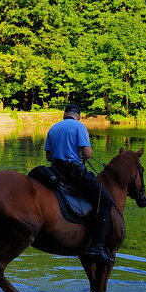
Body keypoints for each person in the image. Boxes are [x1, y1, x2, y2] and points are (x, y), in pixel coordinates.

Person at [44, 103, 115, 264]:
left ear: (64, 115)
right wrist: (80, 153)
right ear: (79, 116)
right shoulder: (79, 126)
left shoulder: (53, 129)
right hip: (73, 172)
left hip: (56, 172)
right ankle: (97, 247)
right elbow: (88, 154)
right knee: (106, 202)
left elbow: (48, 157)